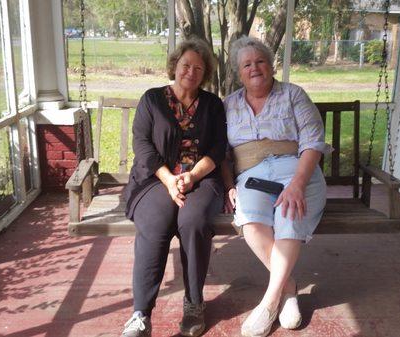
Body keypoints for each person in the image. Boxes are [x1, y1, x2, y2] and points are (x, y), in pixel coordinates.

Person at [221, 36, 332, 337]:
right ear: (238, 72)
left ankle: (269, 303)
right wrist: (230, 185)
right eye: (247, 64)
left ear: (271, 65)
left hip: (297, 170)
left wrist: (297, 183)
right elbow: (221, 153)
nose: (254, 68)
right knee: (250, 221)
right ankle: (289, 287)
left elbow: (313, 142)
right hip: (252, 176)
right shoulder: (227, 105)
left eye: (260, 61)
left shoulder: (294, 95)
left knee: (288, 214)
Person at [121, 38, 227, 337]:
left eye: (198, 67)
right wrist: (169, 179)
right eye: (185, 65)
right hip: (155, 179)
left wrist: (192, 176)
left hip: (201, 178)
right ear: (175, 66)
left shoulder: (212, 105)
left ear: (204, 73)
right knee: (156, 222)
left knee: (193, 222)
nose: (190, 72)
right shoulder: (152, 100)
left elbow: (219, 148)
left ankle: (194, 303)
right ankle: (141, 314)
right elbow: (142, 146)